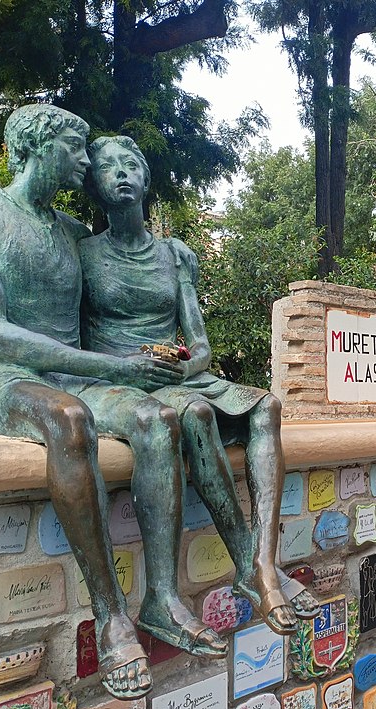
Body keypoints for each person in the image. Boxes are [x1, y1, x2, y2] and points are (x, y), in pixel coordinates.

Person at [0, 105, 227, 700]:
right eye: (76, 151)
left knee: (155, 420)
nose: (86, 164)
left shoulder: (75, 236)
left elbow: (104, 302)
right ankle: (110, 614)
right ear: (39, 147)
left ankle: (162, 597)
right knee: (69, 421)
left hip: (76, 375)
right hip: (8, 379)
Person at [80, 135, 318, 633]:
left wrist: (185, 369)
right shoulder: (81, 254)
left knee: (267, 407)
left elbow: (201, 345)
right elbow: (69, 339)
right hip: (125, 378)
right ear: (94, 183)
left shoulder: (174, 255)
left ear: (146, 180)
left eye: (131, 164)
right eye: (108, 167)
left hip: (181, 372)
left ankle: (261, 563)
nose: (121, 173)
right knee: (198, 415)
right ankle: (258, 570)